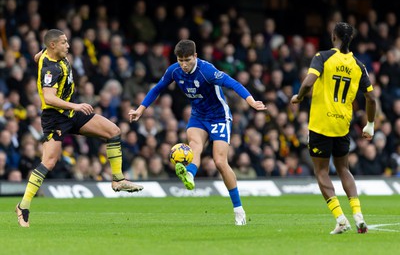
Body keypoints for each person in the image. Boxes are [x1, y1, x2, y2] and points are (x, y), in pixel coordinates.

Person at [129, 39, 267, 225]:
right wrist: (140, 109)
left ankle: (238, 209)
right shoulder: (174, 70)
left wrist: (250, 101)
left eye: (187, 60)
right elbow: (157, 89)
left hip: (219, 117)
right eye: (180, 60)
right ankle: (190, 174)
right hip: (198, 116)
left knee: (219, 162)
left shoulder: (207, 71)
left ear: (195, 56)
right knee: (194, 145)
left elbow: (232, 83)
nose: (184, 65)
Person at [16, 29, 143, 228]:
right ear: (53, 45)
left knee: (114, 131)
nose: (68, 45)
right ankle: (23, 207)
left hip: (70, 113)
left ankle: (118, 180)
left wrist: (73, 107)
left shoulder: (45, 54)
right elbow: (48, 98)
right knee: (48, 162)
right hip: (55, 118)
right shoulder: (51, 68)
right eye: (64, 42)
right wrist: (76, 105)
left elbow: (36, 57)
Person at [290, 22, 376, 234]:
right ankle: (358, 215)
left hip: (321, 124)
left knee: (321, 171)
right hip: (342, 125)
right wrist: (371, 124)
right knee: (344, 169)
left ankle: (340, 218)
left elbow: (309, 82)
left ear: (334, 36)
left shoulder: (323, 57)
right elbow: (371, 98)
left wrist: (299, 97)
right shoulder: (358, 65)